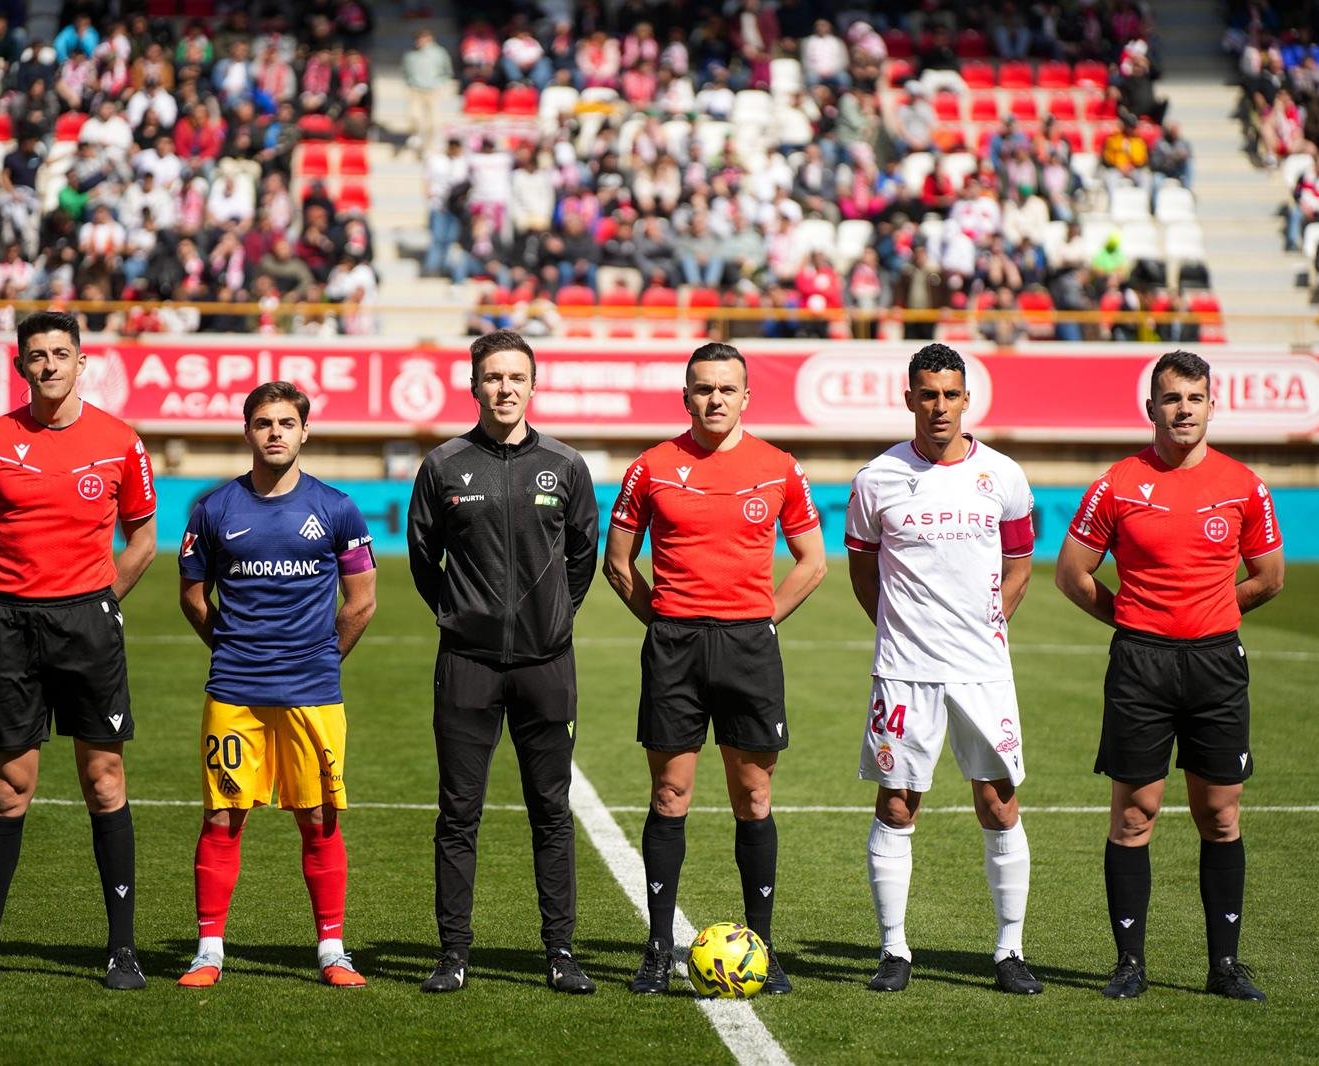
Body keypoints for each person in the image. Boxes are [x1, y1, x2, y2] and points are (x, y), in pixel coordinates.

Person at [1055, 350, 1285, 1002]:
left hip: (1215, 664)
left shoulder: (1243, 484)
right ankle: (1129, 963)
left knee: (1220, 813)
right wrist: (1136, 619)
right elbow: (1072, 575)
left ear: (1213, 405)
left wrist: (1206, 616)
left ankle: (1225, 967)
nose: (1183, 408)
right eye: (1171, 398)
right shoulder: (1117, 483)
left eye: (1195, 397)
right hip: (1140, 664)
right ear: (1150, 407)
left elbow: (1269, 578)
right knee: (1135, 814)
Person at [0, 310, 157, 990]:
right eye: (37, 355)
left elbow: (144, 540)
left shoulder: (121, 440)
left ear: (81, 360)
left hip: (89, 626)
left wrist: (97, 601)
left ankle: (121, 950)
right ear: (21, 366)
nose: (49, 365)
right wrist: (15, 594)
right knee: (11, 788)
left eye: (61, 353)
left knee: (104, 782)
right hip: (11, 625)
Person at [604, 342, 827, 995]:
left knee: (753, 796)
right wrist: (667, 623)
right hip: (674, 647)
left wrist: (761, 621)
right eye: (702, 388)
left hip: (749, 648)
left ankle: (763, 948)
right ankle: (654, 951)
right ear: (686, 396)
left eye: (726, 388)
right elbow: (619, 563)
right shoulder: (652, 468)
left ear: (746, 396)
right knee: (670, 794)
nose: (714, 399)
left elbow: (812, 561)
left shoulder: (779, 467)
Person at [843, 343, 1042, 995]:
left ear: (966, 399)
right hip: (904, 672)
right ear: (908, 399)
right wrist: (900, 630)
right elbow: (863, 571)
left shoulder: (1004, 477)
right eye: (927, 394)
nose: (939, 406)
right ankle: (894, 950)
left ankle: (1009, 952)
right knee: (898, 805)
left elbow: (1018, 564)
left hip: (983, 672)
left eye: (950, 394)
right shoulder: (876, 479)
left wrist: (991, 623)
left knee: (998, 801)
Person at [407, 329, 601, 995]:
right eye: (493, 377)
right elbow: (423, 562)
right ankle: (452, 954)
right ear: (474, 385)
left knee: (551, 808)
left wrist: (551, 618)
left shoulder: (567, 466)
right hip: (467, 664)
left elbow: (583, 559)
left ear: (533, 384)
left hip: (547, 664)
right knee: (458, 811)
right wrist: (464, 618)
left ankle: (561, 952)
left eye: (516, 376)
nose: (505, 387)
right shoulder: (442, 467)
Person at [174, 381, 378, 988]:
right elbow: (192, 596)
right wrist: (235, 650)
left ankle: (332, 950)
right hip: (234, 691)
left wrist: (320, 658)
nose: (275, 432)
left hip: (313, 693)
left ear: (304, 431)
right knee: (221, 818)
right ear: (248, 432)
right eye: (264, 423)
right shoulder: (213, 510)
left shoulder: (337, 508)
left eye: (287, 422)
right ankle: (209, 950)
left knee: (319, 818)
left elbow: (361, 600)